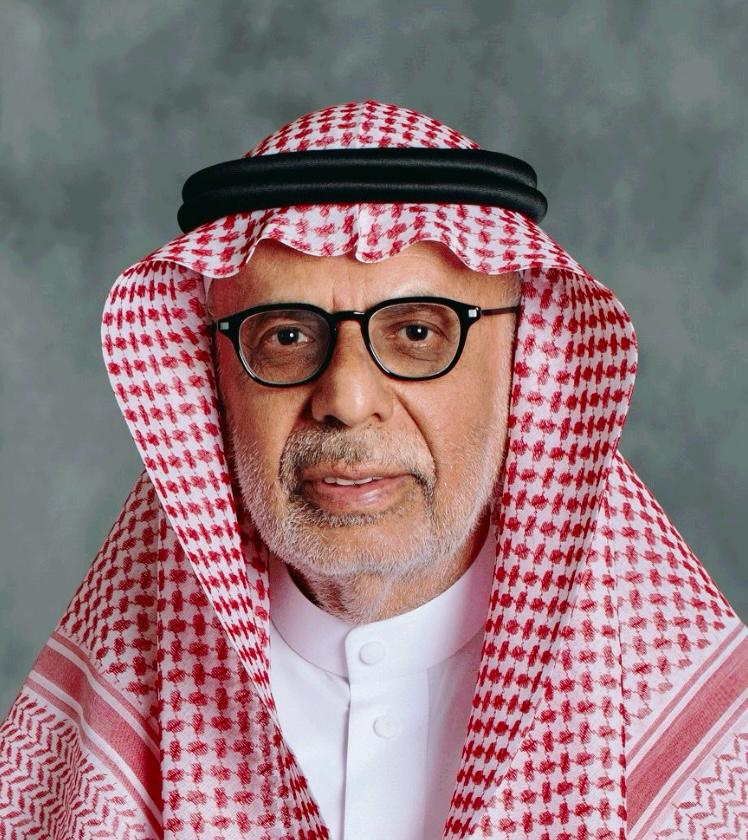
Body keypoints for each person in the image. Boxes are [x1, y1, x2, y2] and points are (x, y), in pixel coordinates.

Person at [0, 100, 745, 840]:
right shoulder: (120, 722)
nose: (348, 400)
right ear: (214, 380)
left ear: (521, 365)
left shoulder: (677, 730)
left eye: (417, 332)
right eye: (285, 337)